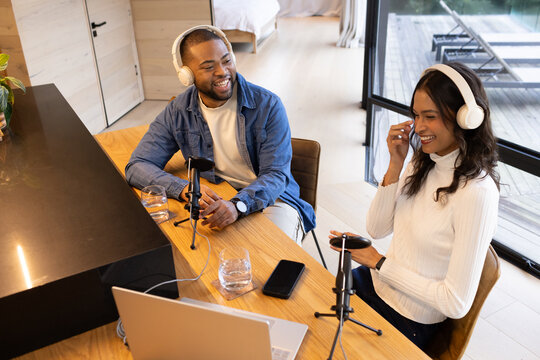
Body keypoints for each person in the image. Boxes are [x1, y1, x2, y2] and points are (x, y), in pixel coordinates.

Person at [329, 62, 500, 351]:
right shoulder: (424, 161)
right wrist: (395, 164)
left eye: (430, 117)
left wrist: (379, 262)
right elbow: (377, 228)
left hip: (410, 318)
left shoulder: (477, 193)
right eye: (416, 115)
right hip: (374, 284)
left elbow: (455, 302)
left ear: (465, 118)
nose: (419, 127)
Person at [125, 25, 315, 243]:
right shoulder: (178, 110)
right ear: (186, 75)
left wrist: (237, 205)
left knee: (275, 262)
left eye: (226, 61)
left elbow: (276, 175)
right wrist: (185, 189)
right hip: (220, 193)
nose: (222, 72)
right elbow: (137, 166)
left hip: (272, 199)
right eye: (208, 67)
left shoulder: (268, 105)